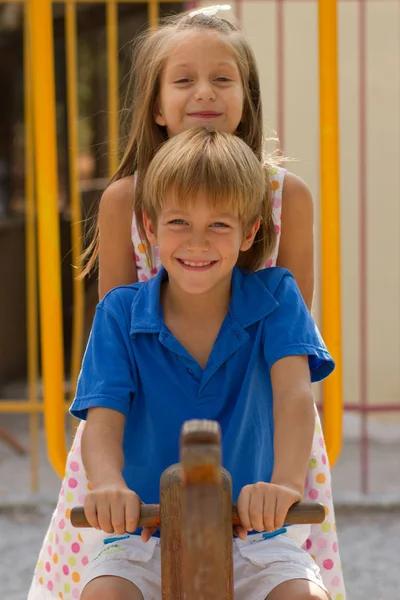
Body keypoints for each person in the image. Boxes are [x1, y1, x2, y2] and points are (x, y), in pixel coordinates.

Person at [28, 10, 345, 600]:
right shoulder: (127, 200)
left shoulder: (284, 201)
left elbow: (290, 355)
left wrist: (280, 478)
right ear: (155, 103)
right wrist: (110, 483)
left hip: (251, 429)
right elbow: (116, 342)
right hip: (147, 434)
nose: (204, 92)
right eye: (183, 80)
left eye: (222, 79)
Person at [76, 128, 334, 599]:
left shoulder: (277, 298)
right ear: (150, 228)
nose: (197, 242)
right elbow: (103, 420)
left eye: (218, 225)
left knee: (302, 596)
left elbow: (295, 396)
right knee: (104, 594)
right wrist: (110, 486)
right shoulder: (119, 313)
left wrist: (284, 484)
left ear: (250, 231)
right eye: (178, 222)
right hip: (143, 535)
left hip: (256, 532)